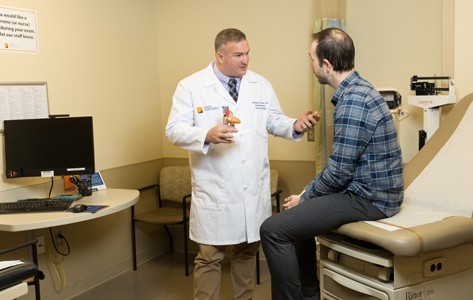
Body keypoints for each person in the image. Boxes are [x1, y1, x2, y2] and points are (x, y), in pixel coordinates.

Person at [166, 28, 319, 300]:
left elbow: (273, 120)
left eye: (248, 53)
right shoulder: (190, 86)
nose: (245, 60)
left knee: (247, 252)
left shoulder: (260, 84)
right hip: (216, 191)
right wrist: (205, 134)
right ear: (220, 56)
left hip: (252, 189)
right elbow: (174, 130)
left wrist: (294, 124)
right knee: (210, 257)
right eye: (238, 55)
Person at [260, 27, 404, 300]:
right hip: (370, 191)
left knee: (272, 230)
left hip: (371, 198)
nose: (310, 65)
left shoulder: (353, 102)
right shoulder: (360, 90)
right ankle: (310, 294)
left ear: (326, 65)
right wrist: (306, 196)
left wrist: (305, 197)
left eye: (311, 59)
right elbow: (342, 167)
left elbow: (339, 170)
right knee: (294, 224)